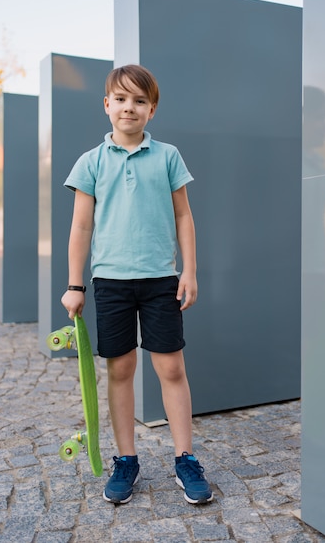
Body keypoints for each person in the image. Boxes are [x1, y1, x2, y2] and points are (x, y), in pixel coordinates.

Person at [61, 64, 213, 505]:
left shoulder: (167, 156)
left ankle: (185, 457)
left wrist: (189, 270)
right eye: (122, 99)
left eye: (140, 101)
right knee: (120, 370)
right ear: (107, 105)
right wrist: (76, 286)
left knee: (171, 368)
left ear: (152, 110)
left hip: (161, 279)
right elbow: (81, 228)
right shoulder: (90, 162)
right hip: (110, 282)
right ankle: (126, 459)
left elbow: (184, 215)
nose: (130, 107)